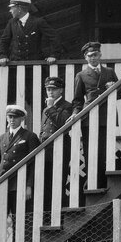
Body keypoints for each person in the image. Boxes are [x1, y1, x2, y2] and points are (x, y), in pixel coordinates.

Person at [0, 104, 41, 242]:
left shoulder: (29, 136)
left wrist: (29, 185)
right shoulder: (1, 138)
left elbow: (35, 163)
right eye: (9, 117)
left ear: (22, 119)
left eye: (15, 117)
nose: (12, 120)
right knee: (1, 221)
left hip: (20, 186)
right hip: (3, 187)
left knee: (22, 220)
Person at [0, 0, 60, 108]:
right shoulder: (11, 23)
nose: (10, 10)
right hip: (15, 68)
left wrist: (53, 55)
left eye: (12, 8)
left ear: (19, 8)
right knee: (11, 98)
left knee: (37, 98)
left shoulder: (38, 22)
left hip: (34, 69)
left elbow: (54, 37)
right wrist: (2, 55)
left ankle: (43, 124)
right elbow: (3, 41)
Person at [72, 42, 121, 186]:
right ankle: (93, 181)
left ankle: (105, 181)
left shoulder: (110, 72)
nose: (93, 58)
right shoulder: (81, 75)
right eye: (90, 55)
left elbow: (119, 94)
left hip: (108, 115)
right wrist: (76, 113)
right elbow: (77, 100)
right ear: (85, 58)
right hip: (89, 117)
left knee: (106, 150)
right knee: (91, 151)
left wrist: (114, 88)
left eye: (95, 54)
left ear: (100, 55)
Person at [40, 76, 74, 206]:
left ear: (61, 90)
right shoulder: (46, 108)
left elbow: (62, 124)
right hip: (45, 151)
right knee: (45, 185)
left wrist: (50, 108)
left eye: (53, 89)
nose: (50, 92)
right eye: (48, 89)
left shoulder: (67, 106)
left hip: (60, 149)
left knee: (58, 183)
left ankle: (58, 217)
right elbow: (43, 130)